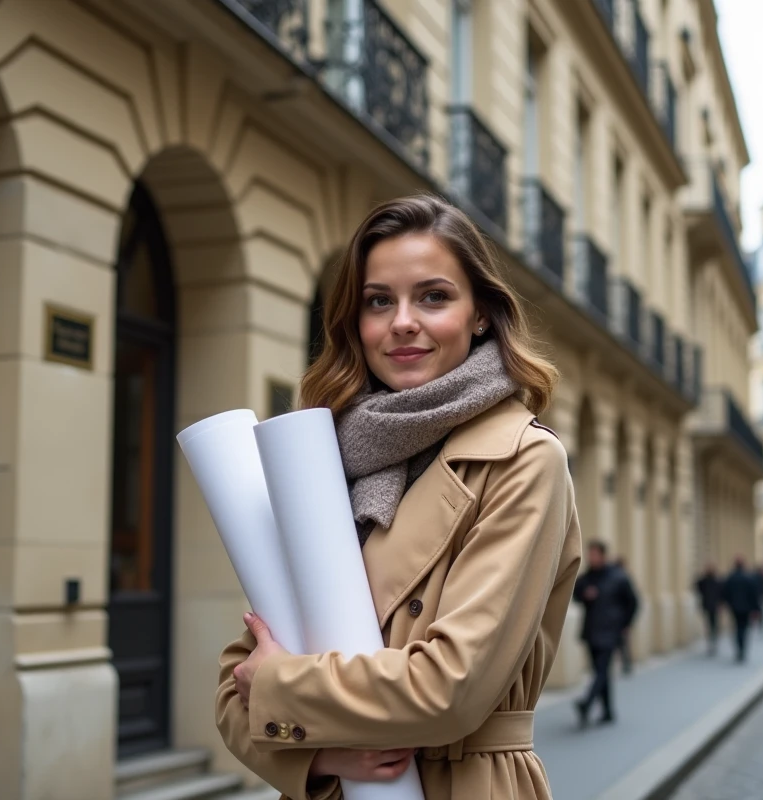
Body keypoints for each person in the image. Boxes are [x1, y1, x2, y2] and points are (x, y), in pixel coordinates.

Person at [215, 195, 582, 800]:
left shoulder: (523, 459)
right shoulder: (322, 456)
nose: (403, 321)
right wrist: (325, 758)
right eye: (379, 301)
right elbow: (237, 683)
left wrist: (285, 691)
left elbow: (452, 689)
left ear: (480, 315)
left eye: (433, 297)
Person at [574, 541, 640, 726]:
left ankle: (586, 703)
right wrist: (585, 595)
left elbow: (633, 602)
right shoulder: (586, 577)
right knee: (600, 672)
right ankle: (608, 712)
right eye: (590, 554)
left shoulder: (618, 577)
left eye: (594, 554)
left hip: (611, 631)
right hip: (592, 631)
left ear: (603, 555)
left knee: (601, 670)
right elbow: (576, 595)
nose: (591, 558)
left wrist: (626, 624)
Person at [720, 557, 761, 663]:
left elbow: (725, 593)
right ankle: (742, 649)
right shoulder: (748, 578)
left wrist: (728, 603)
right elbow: (754, 595)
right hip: (746, 608)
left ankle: (739, 649)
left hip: (734, 607)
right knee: (744, 628)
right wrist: (756, 608)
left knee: (737, 628)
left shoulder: (731, 578)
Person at [612, 555, 635, 674]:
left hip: (620, 619)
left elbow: (633, 602)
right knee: (621, 644)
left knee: (621, 643)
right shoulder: (623, 578)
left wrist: (627, 621)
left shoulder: (622, 580)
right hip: (618, 619)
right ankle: (625, 663)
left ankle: (626, 663)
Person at [695, 564, 723, 656]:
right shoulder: (715, 581)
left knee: (710, 624)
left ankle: (712, 640)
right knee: (713, 624)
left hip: (708, 606)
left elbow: (698, 587)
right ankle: (713, 640)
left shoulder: (706, 581)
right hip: (713, 606)